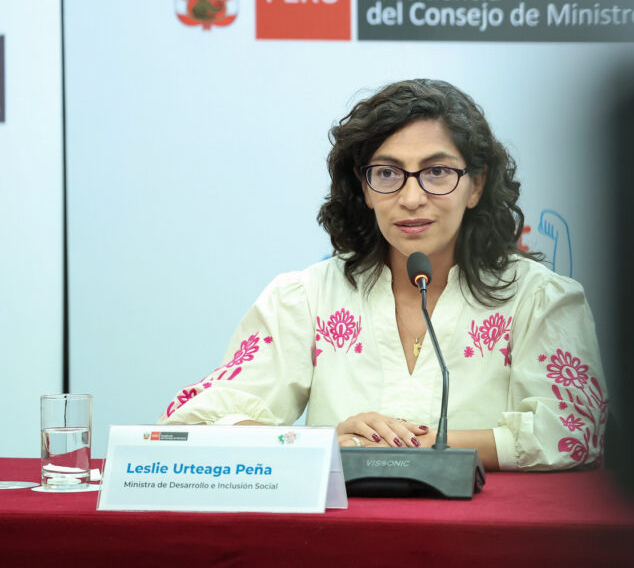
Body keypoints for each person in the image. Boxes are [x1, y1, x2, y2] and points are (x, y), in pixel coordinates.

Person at [159, 79, 606, 471]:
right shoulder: (307, 297)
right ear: (365, 188)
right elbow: (193, 423)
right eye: (388, 173)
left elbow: (572, 433)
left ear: (476, 184)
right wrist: (325, 445)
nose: (411, 198)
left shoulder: (538, 298)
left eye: (436, 172)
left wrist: (423, 447)